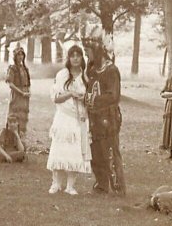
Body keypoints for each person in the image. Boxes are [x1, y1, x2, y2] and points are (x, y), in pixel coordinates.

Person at [84, 27, 125, 196]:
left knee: (110, 151)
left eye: (89, 52)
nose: (87, 56)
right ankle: (101, 184)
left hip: (108, 118)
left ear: (98, 51)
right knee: (96, 151)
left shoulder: (111, 71)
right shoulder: (92, 71)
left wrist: (94, 99)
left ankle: (117, 186)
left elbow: (113, 95)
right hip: (94, 118)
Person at [46, 45, 92, 195]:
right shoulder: (62, 75)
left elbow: (89, 98)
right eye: (72, 55)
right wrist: (71, 93)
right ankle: (56, 183)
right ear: (69, 58)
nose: (76, 58)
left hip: (79, 118)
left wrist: (84, 99)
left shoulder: (86, 77)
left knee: (75, 151)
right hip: (64, 117)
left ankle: (70, 186)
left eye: (78, 55)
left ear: (81, 58)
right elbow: (56, 98)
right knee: (59, 149)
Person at [6, 45, 31, 137]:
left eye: (22, 55)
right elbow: (10, 84)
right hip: (17, 93)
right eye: (18, 55)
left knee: (23, 113)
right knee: (15, 113)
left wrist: (27, 91)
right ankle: (12, 134)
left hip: (25, 93)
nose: (20, 57)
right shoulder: (12, 68)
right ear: (15, 57)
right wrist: (21, 92)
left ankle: (21, 133)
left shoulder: (25, 68)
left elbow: (28, 82)